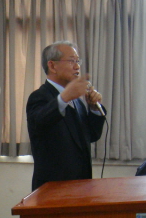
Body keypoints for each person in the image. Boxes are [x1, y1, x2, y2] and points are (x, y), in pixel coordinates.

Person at [26, 40, 107, 191]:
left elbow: (91, 136)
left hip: (81, 185)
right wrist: (64, 98)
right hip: (52, 188)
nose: (77, 67)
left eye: (77, 61)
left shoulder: (77, 101)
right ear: (52, 66)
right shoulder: (39, 96)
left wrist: (94, 109)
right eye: (71, 61)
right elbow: (41, 121)